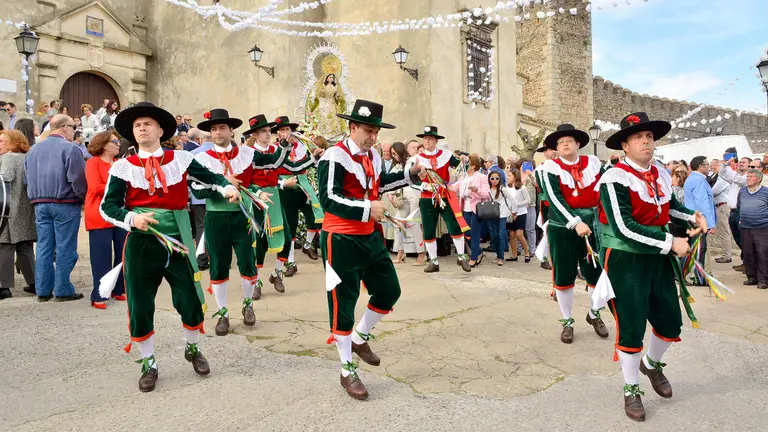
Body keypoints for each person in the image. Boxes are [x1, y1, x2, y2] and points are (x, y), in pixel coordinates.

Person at [100, 102, 240, 392]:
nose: (142, 128)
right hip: (141, 244)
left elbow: (210, 178)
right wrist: (131, 217)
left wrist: (225, 187)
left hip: (178, 242)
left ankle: (193, 348)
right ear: (133, 133)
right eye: (137, 125)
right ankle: (148, 363)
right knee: (140, 305)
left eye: (148, 124)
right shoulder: (123, 167)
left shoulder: (181, 159)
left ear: (161, 130)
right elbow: (107, 207)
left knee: (189, 300)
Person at [595, 112, 706, 422]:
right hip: (625, 260)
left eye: (649, 137)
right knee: (631, 326)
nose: (646, 141)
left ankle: (651, 364)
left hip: (656, 258)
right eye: (638, 137)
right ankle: (631, 389)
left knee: (670, 323)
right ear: (625, 146)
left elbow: (670, 207)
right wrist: (671, 243)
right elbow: (623, 227)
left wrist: (692, 217)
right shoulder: (614, 177)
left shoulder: (658, 172)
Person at [318, 99, 423, 400]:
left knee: (390, 290)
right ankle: (346, 369)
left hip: (370, 237)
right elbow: (328, 199)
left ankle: (360, 337)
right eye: (368, 130)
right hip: (340, 239)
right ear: (352, 127)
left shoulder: (373, 155)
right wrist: (367, 208)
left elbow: (379, 183)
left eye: (376, 131)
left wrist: (409, 175)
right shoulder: (333, 156)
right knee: (342, 304)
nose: (373, 137)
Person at [190, 109, 278, 335]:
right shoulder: (201, 159)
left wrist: (258, 193)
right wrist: (223, 186)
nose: (217, 133)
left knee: (248, 263)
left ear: (231, 131)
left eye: (221, 128)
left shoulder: (245, 155)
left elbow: (249, 183)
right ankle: (223, 314)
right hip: (216, 219)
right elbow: (197, 192)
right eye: (213, 129)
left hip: (243, 218)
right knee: (218, 266)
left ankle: (248, 305)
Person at [538, 124, 607, 344]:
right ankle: (567, 321)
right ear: (556, 148)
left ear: (578, 144)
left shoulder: (594, 164)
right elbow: (555, 200)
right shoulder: (548, 168)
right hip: (562, 227)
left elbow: (605, 190)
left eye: (569, 140)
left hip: (593, 226)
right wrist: (575, 222)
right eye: (560, 142)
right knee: (564, 276)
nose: (565, 144)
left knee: (597, 274)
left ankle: (594, 313)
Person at [24, 114, 87, 301]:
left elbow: (27, 179)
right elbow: (77, 179)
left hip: (40, 203)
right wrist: (80, 197)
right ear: (65, 127)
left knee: (44, 247)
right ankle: (63, 289)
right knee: (65, 247)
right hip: (64, 203)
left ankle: (43, 290)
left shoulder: (33, 150)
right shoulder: (71, 148)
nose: (74, 131)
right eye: (73, 127)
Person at [243, 114, 302, 296]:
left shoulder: (276, 149)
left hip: (275, 196)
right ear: (255, 134)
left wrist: (313, 160)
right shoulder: (248, 153)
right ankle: (257, 281)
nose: (269, 134)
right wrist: (284, 148)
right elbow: (246, 181)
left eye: (269, 131)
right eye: (264, 131)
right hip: (257, 198)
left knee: (285, 236)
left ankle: (276, 274)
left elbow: (289, 167)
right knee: (259, 241)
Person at [411, 126, 471, 273]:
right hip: (427, 197)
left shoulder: (446, 154)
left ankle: (462, 257)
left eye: (430, 138)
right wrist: (424, 185)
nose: (427, 141)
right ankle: (433, 261)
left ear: (436, 140)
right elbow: (412, 179)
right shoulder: (416, 159)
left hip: (444, 195)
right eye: (425, 138)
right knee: (429, 229)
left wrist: (465, 161)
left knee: (454, 225)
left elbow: (461, 169)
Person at [273, 116, 324, 277]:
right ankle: (291, 262)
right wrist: (282, 183)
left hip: (302, 186)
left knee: (315, 216)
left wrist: (316, 157)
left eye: (287, 129)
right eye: (282, 130)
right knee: (291, 226)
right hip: (285, 187)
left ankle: (308, 244)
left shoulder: (301, 146)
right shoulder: (274, 149)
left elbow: (310, 164)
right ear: (277, 133)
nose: (285, 132)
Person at [84, 131, 127, 309]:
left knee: (122, 253)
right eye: (114, 141)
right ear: (103, 144)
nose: (118, 144)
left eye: (118, 141)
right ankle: (100, 293)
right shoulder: (93, 162)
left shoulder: (119, 163)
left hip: (119, 214)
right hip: (99, 213)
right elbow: (95, 187)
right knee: (101, 256)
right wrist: (119, 189)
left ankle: (118, 289)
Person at [0, 130, 36, 299]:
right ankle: (35, 283)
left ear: (14, 142)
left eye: (2, 141)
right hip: (26, 208)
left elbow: (5, 177)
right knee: (25, 247)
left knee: (5, 247)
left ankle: (3, 287)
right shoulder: (28, 157)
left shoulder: (8, 158)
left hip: (9, 210)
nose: (0, 144)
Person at [683, 156, 716, 286]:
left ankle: (695, 275)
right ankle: (698, 277)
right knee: (699, 249)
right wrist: (709, 224)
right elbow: (702, 203)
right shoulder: (698, 180)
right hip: (699, 219)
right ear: (701, 166)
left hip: (694, 218)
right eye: (707, 165)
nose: (709, 167)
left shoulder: (694, 179)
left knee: (696, 249)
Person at [452, 154, 489, 267]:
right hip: (465, 208)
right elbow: (453, 187)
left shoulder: (481, 177)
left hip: (476, 208)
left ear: (473, 166)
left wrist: (476, 189)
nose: (463, 165)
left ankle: (474, 258)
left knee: (474, 233)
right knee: (466, 232)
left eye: (466, 163)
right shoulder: (463, 177)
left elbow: (487, 194)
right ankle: (478, 251)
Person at [738, 169, 768, 289]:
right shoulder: (742, 191)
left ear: (758, 179)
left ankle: (763, 279)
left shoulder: (766, 192)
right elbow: (739, 205)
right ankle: (752, 277)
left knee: (762, 254)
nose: (748, 178)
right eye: (748, 176)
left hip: (762, 228)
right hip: (745, 227)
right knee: (748, 253)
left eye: (751, 176)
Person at [533, 144, 557, 271]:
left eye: (554, 149)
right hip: (547, 202)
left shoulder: (559, 165)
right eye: (550, 150)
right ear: (545, 153)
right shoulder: (542, 167)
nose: (553, 152)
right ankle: (544, 257)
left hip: (558, 201)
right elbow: (539, 186)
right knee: (547, 229)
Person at [487, 167, 513, 265]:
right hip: (491, 214)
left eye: (497, 178)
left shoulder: (503, 189)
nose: (494, 181)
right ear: (489, 179)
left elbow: (512, 200)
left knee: (501, 234)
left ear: (500, 179)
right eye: (492, 179)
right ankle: (498, 256)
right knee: (494, 236)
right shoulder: (487, 189)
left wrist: (513, 211)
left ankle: (501, 258)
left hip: (502, 214)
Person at [506, 168, 531, 262]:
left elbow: (528, 200)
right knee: (512, 234)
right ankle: (514, 255)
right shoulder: (507, 187)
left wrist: (517, 204)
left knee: (519, 234)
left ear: (515, 177)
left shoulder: (522, 188)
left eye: (510, 176)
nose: (508, 177)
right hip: (511, 213)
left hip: (521, 213)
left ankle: (527, 253)